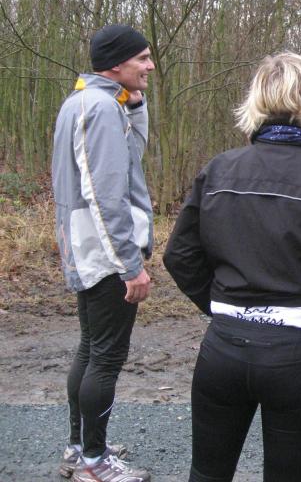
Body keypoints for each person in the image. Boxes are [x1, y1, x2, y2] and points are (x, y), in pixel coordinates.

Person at [163, 52, 301, 482]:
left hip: (224, 347)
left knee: (207, 474)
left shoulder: (219, 170)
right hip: (299, 354)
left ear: (256, 99)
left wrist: (223, 306)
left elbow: (180, 255)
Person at [52, 24, 155, 482]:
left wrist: (136, 105)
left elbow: (131, 157)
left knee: (91, 349)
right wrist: (130, 265)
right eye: (142, 58)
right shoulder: (100, 108)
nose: (150, 66)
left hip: (85, 245)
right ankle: (95, 463)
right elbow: (107, 193)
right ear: (116, 64)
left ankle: (80, 448)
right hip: (106, 251)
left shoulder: (83, 101)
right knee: (106, 356)